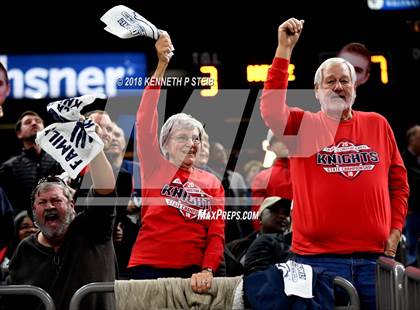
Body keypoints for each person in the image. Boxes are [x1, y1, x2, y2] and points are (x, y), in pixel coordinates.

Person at [260, 18, 409, 309]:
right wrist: (284, 49)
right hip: (316, 261)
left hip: (374, 260)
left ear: (354, 88)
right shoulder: (303, 125)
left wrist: (395, 229)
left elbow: (398, 183)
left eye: (344, 81)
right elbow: (270, 108)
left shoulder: (378, 124)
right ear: (316, 90)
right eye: (330, 81)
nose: (338, 87)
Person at [127, 32, 225, 294]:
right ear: (165, 144)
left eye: (196, 138)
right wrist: (161, 66)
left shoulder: (213, 183)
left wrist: (207, 269)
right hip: (147, 266)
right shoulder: (155, 167)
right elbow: (145, 118)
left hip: (192, 272)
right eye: (182, 137)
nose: (191, 143)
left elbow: (216, 233)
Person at [5, 141, 117, 310]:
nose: (50, 206)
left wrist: (92, 144)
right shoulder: (25, 249)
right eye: (42, 202)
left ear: (72, 205)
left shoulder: (92, 227)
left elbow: (105, 188)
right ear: (34, 212)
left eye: (56, 200)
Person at [0, 111, 62, 215]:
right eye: (28, 122)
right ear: (19, 133)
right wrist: (22, 217)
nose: (34, 123)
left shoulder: (60, 162)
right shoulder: (8, 167)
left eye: (38, 121)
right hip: (22, 225)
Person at [225, 196, 291, 276]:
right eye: (275, 211)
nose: (282, 216)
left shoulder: (296, 251)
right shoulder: (234, 247)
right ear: (260, 218)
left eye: (286, 213)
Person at [251, 130, 293, 231]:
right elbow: (258, 216)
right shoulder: (262, 178)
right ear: (270, 147)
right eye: (279, 139)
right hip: (276, 238)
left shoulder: (308, 173)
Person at [402, 125, 420, 266]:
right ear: (411, 140)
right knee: (411, 246)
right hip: (411, 211)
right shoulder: (403, 159)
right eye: (419, 138)